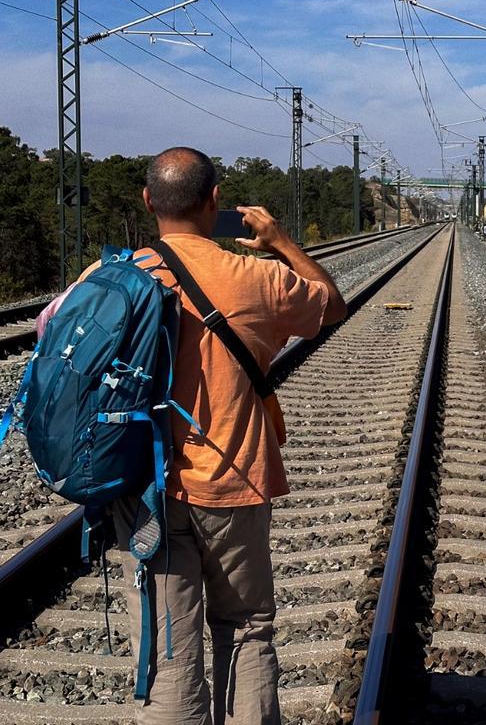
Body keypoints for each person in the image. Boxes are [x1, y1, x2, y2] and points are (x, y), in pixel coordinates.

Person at [89, 148, 345, 723]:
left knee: (169, 652)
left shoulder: (110, 275)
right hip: (231, 479)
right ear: (214, 202)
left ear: (148, 201)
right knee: (246, 630)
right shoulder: (256, 277)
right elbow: (331, 304)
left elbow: (51, 331)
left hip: (143, 489)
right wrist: (279, 240)